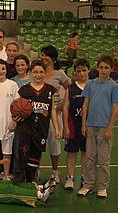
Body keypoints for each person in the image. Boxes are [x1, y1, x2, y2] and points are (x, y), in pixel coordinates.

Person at [78, 55, 118, 198]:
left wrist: (110, 127)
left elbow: (115, 109)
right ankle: (88, 185)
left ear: (111, 69)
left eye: (106, 68)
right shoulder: (90, 84)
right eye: (101, 67)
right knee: (90, 158)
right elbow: (85, 105)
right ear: (97, 68)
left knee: (104, 160)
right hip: (90, 126)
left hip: (104, 128)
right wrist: (84, 124)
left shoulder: (114, 87)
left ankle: (103, 187)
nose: (103, 70)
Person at [13, 60, 60, 183]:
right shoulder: (24, 90)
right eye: (35, 72)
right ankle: (19, 180)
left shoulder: (50, 90)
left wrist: (57, 128)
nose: (38, 75)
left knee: (35, 155)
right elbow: (18, 108)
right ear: (31, 73)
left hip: (41, 128)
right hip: (25, 127)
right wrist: (15, 118)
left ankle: (31, 180)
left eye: (41, 72)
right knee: (22, 154)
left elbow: (52, 111)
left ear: (45, 73)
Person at [40, 45, 71, 184]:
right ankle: (36, 170)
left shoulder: (60, 74)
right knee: (37, 142)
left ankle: (55, 171)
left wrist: (63, 103)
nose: (43, 57)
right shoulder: (38, 71)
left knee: (54, 142)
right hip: (39, 112)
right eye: (42, 55)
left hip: (54, 114)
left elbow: (71, 88)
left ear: (53, 58)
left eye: (46, 55)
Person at [62, 59, 89, 190]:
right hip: (73, 125)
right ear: (75, 73)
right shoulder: (71, 88)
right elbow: (66, 108)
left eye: (84, 70)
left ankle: (84, 177)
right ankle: (70, 177)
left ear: (89, 71)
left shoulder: (92, 86)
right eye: (79, 71)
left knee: (85, 152)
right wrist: (66, 127)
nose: (82, 73)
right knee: (71, 152)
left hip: (88, 125)